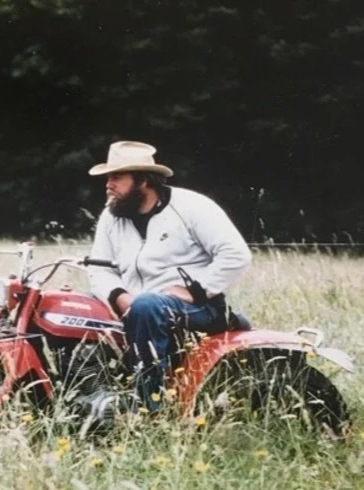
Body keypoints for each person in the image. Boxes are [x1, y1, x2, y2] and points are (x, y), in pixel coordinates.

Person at [87, 140, 252, 413]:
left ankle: (150, 408)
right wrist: (119, 297)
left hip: (198, 308)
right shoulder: (112, 215)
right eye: (107, 178)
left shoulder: (193, 206)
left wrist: (196, 291)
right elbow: (99, 267)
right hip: (135, 308)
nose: (108, 185)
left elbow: (236, 254)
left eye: (116, 177)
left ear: (142, 180)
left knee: (148, 304)